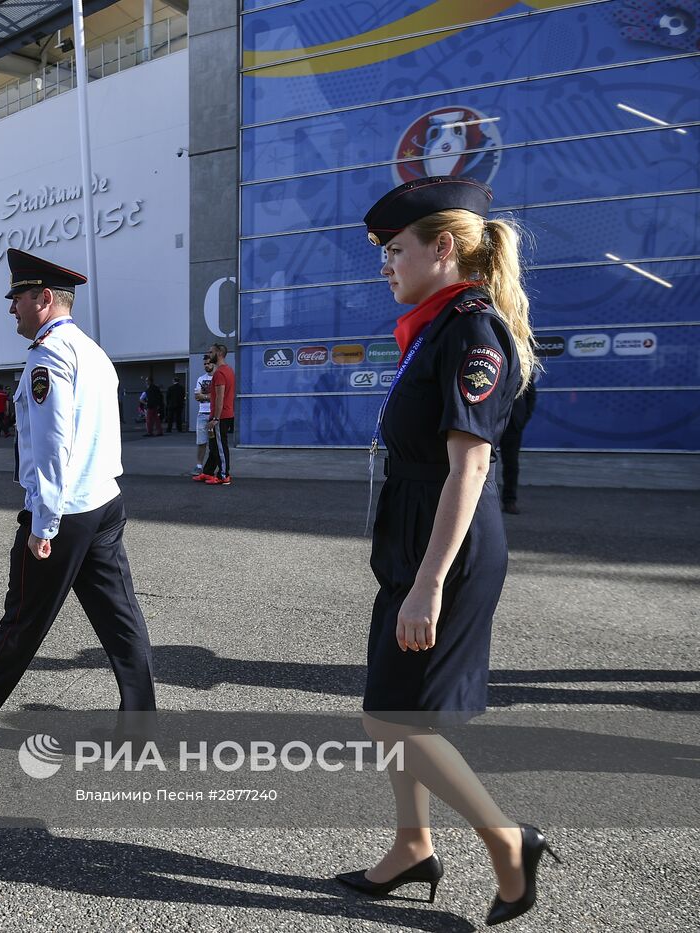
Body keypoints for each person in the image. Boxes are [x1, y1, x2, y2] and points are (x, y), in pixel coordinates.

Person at [335, 175, 556, 927]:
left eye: (395, 250)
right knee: (395, 710)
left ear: (443, 247)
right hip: (416, 534)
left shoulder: (469, 330)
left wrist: (428, 583)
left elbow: (472, 465)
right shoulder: (435, 326)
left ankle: (507, 841)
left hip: (447, 546)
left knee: (392, 718)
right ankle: (412, 846)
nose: (385, 264)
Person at [0, 248, 156, 721]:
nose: (11, 307)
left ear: (45, 299)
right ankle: (139, 720)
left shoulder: (47, 358)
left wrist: (43, 524)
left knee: (25, 614)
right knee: (120, 617)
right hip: (104, 499)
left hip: (66, 507)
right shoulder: (92, 351)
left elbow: (54, 448)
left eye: (18, 297)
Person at [498, 376, 537, 514]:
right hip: (491, 424)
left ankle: (509, 501)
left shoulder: (523, 370)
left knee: (511, 465)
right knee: (480, 463)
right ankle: (476, 502)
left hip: (513, 426)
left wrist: (521, 421)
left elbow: (531, 397)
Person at [200, 344, 234, 485]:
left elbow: (220, 397)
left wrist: (215, 418)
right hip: (221, 415)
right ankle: (208, 472)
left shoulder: (220, 373)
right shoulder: (228, 370)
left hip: (220, 416)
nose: (209, 355)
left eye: (211, 352)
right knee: (214, 445)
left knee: (220, 446)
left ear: (219, 353)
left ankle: (223, 475)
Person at [191, 355, 215, 479]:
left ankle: (211, 468)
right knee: (201, 441)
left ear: (213, 364)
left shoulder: (217, 378)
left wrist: (204, 396)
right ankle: (199, 466)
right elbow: (197, 397)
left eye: (208, 363)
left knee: (214, 443)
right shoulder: (201, 378)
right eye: (205, 364)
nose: (206, 365)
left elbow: (219, 396)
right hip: (202, 414)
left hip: (214, 414)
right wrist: (211, 396)